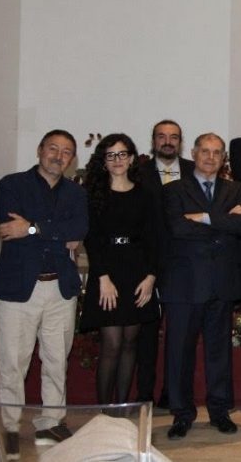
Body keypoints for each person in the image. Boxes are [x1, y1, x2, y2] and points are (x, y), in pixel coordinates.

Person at [0, 130, 88, 456]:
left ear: (72, 159)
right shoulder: (12, 185)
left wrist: (32, 227)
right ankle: (9, 428)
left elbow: (78, 231)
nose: (58, 156)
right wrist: (57, 233)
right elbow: (9, 228)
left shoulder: (76, 193)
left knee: (57, 362)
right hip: (19, 289)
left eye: (66, 152)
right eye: (53, 148)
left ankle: (50, 424)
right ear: (40, 150)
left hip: (60, 289)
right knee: (13, 364)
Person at [161, 133, 241, 440]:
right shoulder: (174, 189)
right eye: (205, 151)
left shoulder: (235, 189)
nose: (211, 157)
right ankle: (181, 414)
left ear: (223, 158)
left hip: (221, 283)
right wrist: (222, 221)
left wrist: (202, 218)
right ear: (194, 153)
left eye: (217, 152)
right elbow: (177, 227)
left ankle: (219, 412)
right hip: (184, 285)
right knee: (179, 354)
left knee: (219, 353)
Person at [80, 134, 159, 405]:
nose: (117, 160)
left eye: (122, 154)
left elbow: (153, 238)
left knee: (130, 343)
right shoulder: (93, 194)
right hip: (106, 271)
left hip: (137, 271)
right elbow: (92, 239)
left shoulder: (145, 194)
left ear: (132, 158)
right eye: (111, 155)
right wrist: (102, 278)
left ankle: (122, 409)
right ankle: (104, 412)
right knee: (112, 344)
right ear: (103, 161)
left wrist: (151, 277)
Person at [135, 119, 194, 407]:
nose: (168, 142)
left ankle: (173, 393)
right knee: (147, 332)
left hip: (185, 262)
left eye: (173, 137)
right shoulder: (138, 172)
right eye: (162, 136)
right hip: (148, 262)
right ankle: (144, 394)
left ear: (180, 142)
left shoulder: (194, 171)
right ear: (153, 140)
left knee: (180, 334)